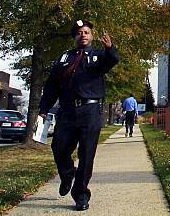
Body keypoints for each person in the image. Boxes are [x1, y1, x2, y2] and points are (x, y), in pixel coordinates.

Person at [38, 19, 119, 211]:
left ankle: (81, 195)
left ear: (91, 36)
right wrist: (44, 107)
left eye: (86, 32)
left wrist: (110, 49)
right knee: (59, 147)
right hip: (66, 111)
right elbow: (52, 85)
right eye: (79, 33)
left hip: (89, 112)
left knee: (86, 155)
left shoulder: (98, 56)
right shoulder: (64, 58)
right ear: (74, 37)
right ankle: (67, 174)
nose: (83, 35)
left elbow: (111, 61)